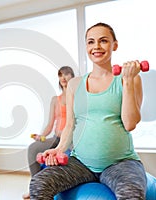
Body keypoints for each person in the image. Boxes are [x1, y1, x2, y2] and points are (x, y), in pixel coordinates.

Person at [29, 22, 147, 200]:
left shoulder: (128, 79)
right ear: (86, 47)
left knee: (131, 194)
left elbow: (130, 123)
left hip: (120, 163)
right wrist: (59, 149)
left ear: (115, 45)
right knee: (38, 185)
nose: (96, 46)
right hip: (80, 163)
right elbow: (70, 124)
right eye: (91, 42)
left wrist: (129, 80)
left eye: (103, 41)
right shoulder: (75, 84)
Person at [22, 66, 74, 200]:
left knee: (69, 158)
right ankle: (34, 185)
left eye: (66, 74)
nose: (63, 77)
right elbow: (50, 124)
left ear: (72, 77)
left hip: (71, 140)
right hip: (56, 138)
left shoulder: (76, 97)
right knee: (33, 149)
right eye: (60, 75)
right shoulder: (55, 100)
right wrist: (42, 136)